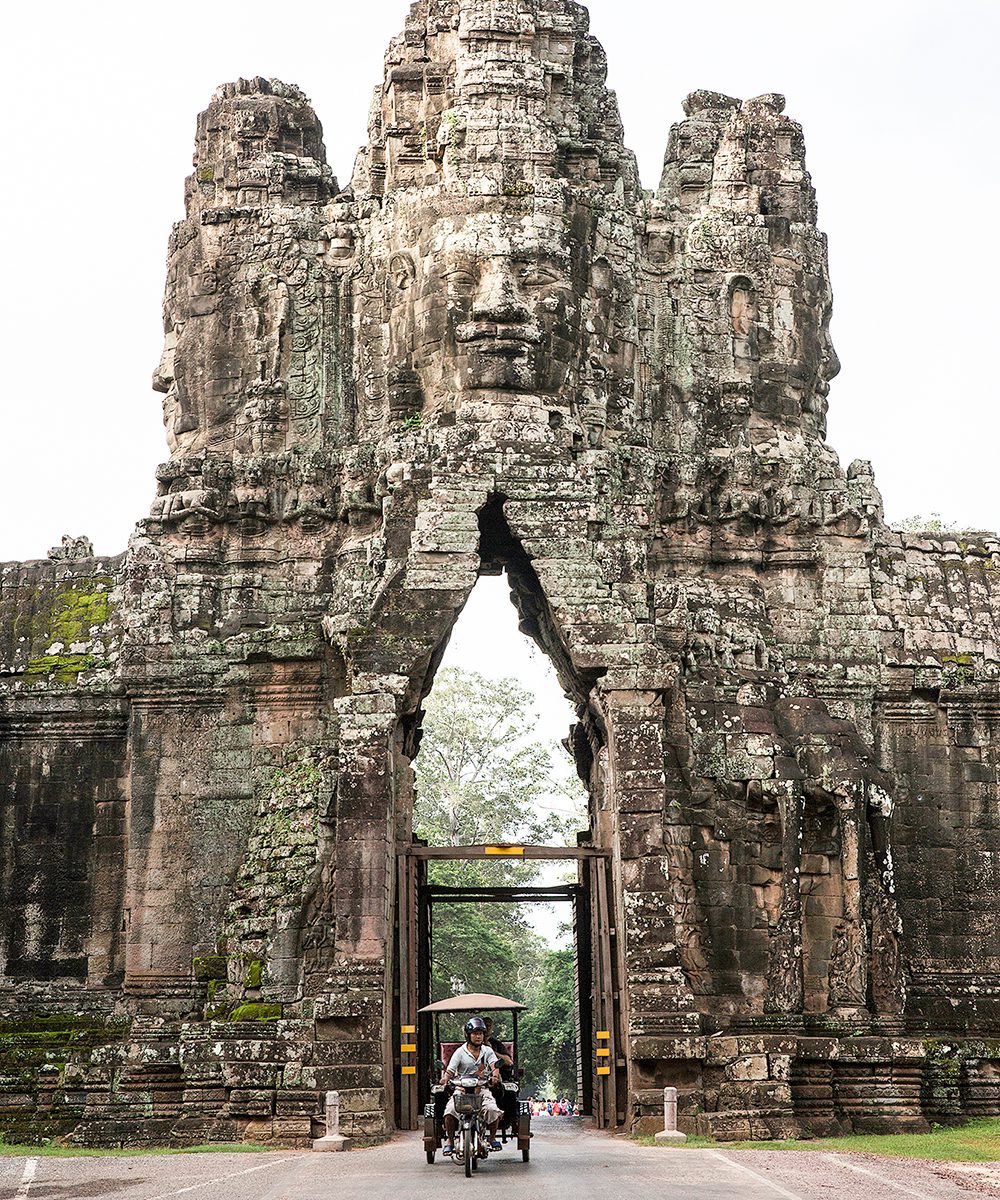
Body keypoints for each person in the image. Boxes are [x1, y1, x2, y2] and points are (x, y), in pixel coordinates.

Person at [439, 1017, 503, 1156]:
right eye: (475, 1033)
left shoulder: (488, 1051)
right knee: (449, 1111)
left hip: (482, 1090)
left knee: (492, 1109)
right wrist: (445, 1079)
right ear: (468, 1035)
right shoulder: (460, 1052)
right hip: (461, 1090)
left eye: (480, 1033)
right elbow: (450, 1071)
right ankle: (450, 1141)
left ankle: (492, 1139)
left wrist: (495, 1077)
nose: (478, 1036)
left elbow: (494, 1065)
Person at [482, 1015, 517, 1134]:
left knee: (509, 1093)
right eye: (483, 1026)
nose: (486, 1029)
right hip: (474, 1078)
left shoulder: (495, 1044)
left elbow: (509, 1062)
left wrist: (492, 1052)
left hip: (495, 1077)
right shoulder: (468, 1047)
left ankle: (511, 1121)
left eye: (489, 1026)